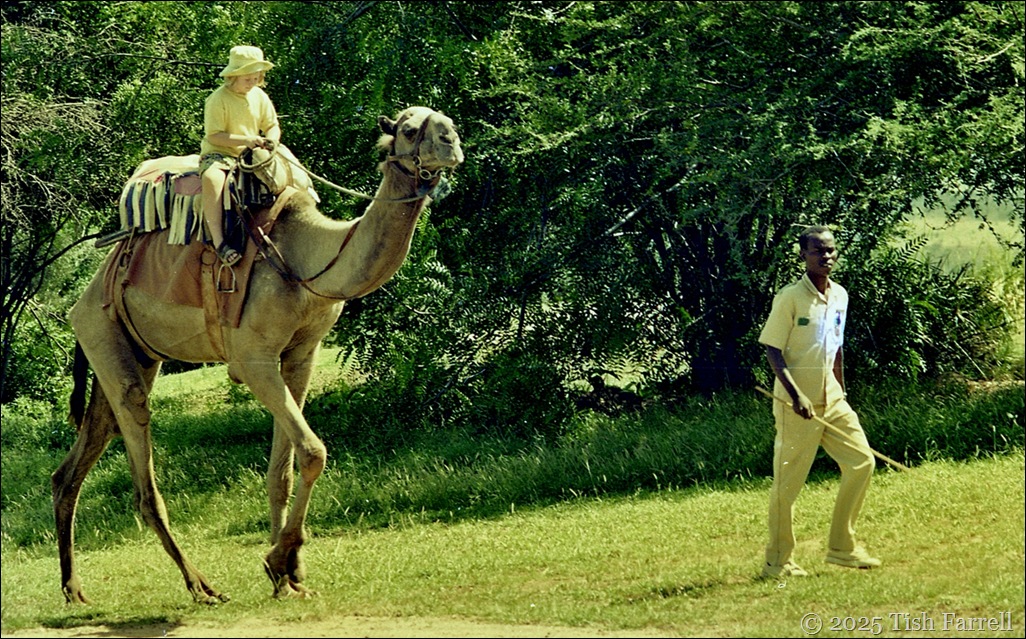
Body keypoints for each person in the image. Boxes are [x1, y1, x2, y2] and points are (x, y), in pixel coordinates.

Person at [757, 225, 880, 579]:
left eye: (830, 250)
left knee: (862, 462)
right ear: (803, 256)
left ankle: (842, 547)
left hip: (834, 399)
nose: (826, 256)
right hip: (796, 405)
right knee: (787, 485)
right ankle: (777, 561)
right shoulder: (790, 297)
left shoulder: (839, 295)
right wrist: (796, 395)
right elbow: (772, 349)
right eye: (817, 251)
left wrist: (841, 390)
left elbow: (836, 347)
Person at [200, 45, 281, 266]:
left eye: (256, 78)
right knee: (212, 179)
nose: (252, 83)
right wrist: (246, 140)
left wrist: (271, 140)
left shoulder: (259, 96)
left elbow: (272, 125)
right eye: (247, 79)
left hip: (252, 154)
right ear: (233, 76)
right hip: (220, 153)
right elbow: (214, 136)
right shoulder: (218, 99)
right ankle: (219, 241)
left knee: (289, 173)